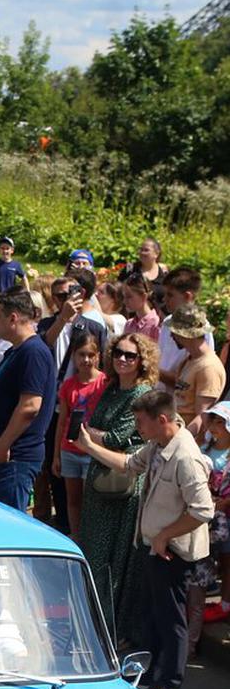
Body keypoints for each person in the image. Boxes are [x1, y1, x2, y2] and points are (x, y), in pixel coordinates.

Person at [78, 390, 213, 689]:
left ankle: (171, 683)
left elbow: (202, 509)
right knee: (153, 615)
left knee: (170, 618)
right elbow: (128, 464)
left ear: (161, 420)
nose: (137, 428)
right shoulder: (157, 446)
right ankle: (152, 675)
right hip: (153, 546)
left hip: (173, 551)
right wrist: (90, 447)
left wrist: (165, 535)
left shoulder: (185, 457)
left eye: (141, 422)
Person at [76, 332, 160, 644]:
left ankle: (110, 631)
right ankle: (91, 621)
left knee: (112, 560)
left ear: (142, 361)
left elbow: (114, 438)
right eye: (118, 353)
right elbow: (98, 432)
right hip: (99, 477)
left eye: (130, 355)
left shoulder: (141, 393)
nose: (122, 359)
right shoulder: (112, 388)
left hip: (122, 485)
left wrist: (94, 436)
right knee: (93, 553)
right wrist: (97, 436)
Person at [0, 288, 56, 510]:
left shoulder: (33, 352)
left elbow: (30, 406)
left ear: (13, 318)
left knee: (9, 519)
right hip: (3, 455)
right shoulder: (16, 350)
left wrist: (3, 444)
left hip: (14, 457)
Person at [52, 331, 107, 538]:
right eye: (81, 354)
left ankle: (91, 538)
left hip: (93, 451)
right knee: (73, 499)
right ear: (74, 356)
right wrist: (56, 455)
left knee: (91, 500)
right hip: (69, 449)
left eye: (90, 355)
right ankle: (76, 536)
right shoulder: (68, 385)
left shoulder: (104, 383)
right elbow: (61, 422)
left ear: (98, 356)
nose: (86, 360)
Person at [187, 403, 230, 648]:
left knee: (227, 560)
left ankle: (225, 602)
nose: (214, 426)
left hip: (224, 516)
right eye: (212, 421)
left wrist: (225, 502)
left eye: (220, 422)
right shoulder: (205, 449)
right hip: (206, 516)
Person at [169, 305, 225, 440]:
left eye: (174, 332)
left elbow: (202, 417)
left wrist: (178, 441)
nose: (171, 335)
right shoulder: (188, 360)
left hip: (186, 442)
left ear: (186, 334)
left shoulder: (209, 367)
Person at [123, 273, 160, 342]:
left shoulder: (156, 324)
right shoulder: (129, 324)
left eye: (129, 296)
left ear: (144, 297)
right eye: (124, 296)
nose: (125, 301)